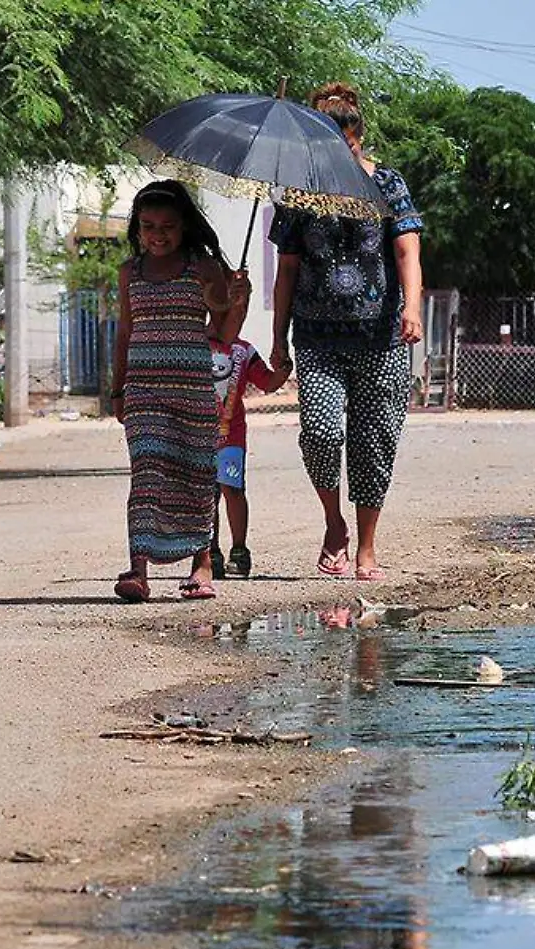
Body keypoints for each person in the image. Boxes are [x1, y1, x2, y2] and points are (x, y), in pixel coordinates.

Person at [268, 81, 424, 583]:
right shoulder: (297, 195)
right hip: (315, 337)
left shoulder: (388, 184)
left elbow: (406, 251)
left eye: (346, 144)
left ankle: (368, 547)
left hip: (380, 337)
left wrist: (413, 307)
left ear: (357, 138)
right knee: (320, 433)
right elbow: (286, 270)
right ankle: (334, 524)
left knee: (374, 441)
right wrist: (276, 340)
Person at [108, 180, 250, 603]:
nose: (158, 234)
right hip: (144, 392)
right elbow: (125, 333)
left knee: (194, 475)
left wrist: (236, 299)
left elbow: (224, 332)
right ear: (137, 228)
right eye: (148, 225)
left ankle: (202, 563)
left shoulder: (203, 268)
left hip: (192, 390)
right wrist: (117, 389)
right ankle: (138, 567)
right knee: (148, 472)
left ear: (184, 226)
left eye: (167, 225)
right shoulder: (129, 273)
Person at [210, 336, 294, 579]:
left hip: (231, 437)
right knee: (207, 494)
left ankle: (239, 551)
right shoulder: (194, 344)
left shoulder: (244, 351)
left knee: (233, 489)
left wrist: (284, 367)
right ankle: (209, 551)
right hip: (200, 436)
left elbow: (267, 382)